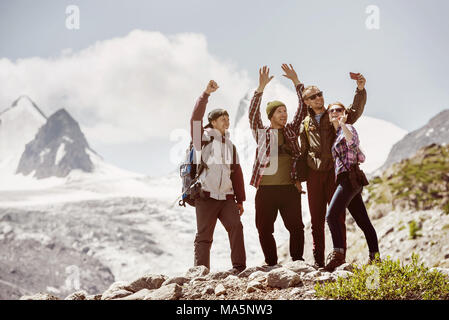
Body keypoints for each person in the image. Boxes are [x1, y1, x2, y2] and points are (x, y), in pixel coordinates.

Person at [298, 74, 367, 268]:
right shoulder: (305, 123)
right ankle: (318, 260)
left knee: (337, 216)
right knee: (316, 219)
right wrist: (298, 177)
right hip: (313, 174)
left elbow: (354, 112)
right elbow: (303, 150)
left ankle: (339, 257)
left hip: (333, 173)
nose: (319, 98)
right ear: (306, 102)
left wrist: (360, 90)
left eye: (320, 94)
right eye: (313, 96)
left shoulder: (333, 114)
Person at [248, 65, 307, 266]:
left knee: (296, 227)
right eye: (279, 111)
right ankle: (271, 263)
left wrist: (297, 81)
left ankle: (297, 261)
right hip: (265, 190)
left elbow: (303, 108)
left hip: (289, 188)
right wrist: (260, 88)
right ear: (271, 115)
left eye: (285, 111)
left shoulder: (291, 131)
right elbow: (252, 114)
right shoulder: (261, 133)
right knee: (264, 229)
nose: (284, 114)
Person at [190, 80, 246, 273]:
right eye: (223, 118)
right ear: (213, 122)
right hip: (205, 195)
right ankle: (201, 273)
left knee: (236, 228)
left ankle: (239, 268)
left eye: (228, 119)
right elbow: (195, 120)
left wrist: (240, 200)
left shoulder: (231, 145)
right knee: (204, 236)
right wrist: (205, 95)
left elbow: (236, 174)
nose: (227, 121)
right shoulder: (202, 139)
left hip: (227, 197)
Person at [324, 103, 380, 271]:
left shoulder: (348, 128)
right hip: (349, 180)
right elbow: (361, 156)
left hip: (348, 180)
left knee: (331, 216)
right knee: (363, 221)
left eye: (339, 110)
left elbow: (353, 143)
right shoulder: (336, 135)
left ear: (345, 113)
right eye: (332, 110)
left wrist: (342, 123)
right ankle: (375, 258)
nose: (335, 112)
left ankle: (338, 255)